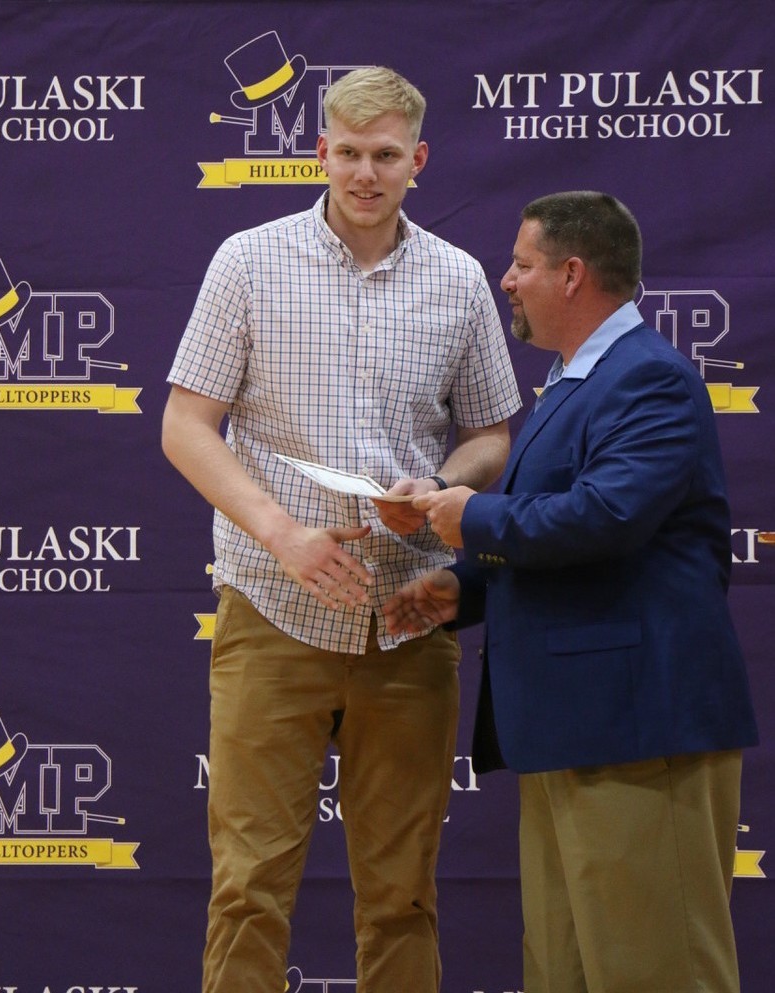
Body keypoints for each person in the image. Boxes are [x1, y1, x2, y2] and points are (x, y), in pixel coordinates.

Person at [161, 66, 521, 993]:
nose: (366, 173)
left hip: (408, 616)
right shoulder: (247, 260)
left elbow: (491, 434)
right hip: (271, 609)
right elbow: (185, 425)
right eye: (350, 153)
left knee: (401, 894)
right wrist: (282, 533)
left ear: (418, 160)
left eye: (386, 156)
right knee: (247, 889)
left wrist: (439, 486)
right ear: (319, 151)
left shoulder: (458, 278)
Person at [383, 191, 759, 993]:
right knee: (566, 973)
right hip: (572, 727)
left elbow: (605, 516)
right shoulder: (574, 383)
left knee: (658, 972)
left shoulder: (648, 378)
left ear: (572, 273)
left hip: (636, 727)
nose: (506, 280)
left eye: (521, 264)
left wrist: (469, 513)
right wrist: (461, 589)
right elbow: (563, 535)